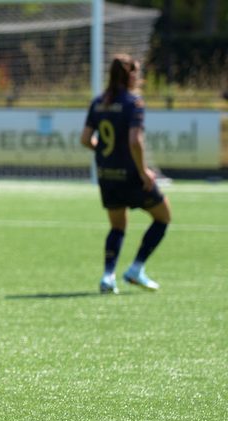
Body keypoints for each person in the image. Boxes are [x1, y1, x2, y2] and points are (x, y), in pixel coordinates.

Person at [80, 54, 172, 294]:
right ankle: (136, 268)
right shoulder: (134, 103)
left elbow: (84, 139)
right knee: (163, 217)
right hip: (131, 175)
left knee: (117, 226)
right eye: (137, 73)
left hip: (107, 174)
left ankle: (108, 276)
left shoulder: (98, 102)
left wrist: (101, 150)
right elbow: (135, 141)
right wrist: (143, 172)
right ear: (130, 75)